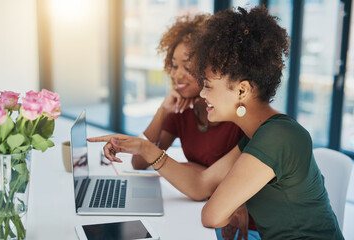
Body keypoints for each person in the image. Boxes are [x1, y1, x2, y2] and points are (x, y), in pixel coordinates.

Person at [88, 6, 344, 239]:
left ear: (242, 91)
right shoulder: (257, 135)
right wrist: (145, 148)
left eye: (209, 86)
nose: (202, 93)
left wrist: (228, 206)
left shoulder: (279, 136)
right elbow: (201, 185)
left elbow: (211, 214)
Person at [131, 14, 259, 240]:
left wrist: (195, 172)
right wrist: (163, 111)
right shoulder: (182, 109)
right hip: (197, 207)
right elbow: (139, 162)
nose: (177, 74)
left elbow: (208, 186)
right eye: (173, 66)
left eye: (188, 68)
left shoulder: (237, 115)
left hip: (236, 223)